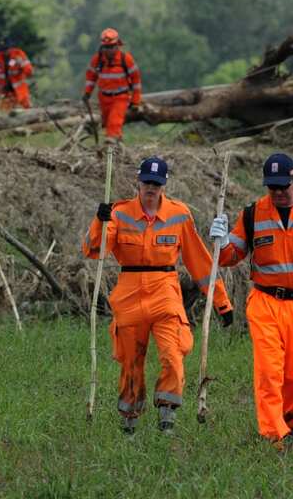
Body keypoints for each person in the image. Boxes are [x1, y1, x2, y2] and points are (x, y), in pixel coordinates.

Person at [82, 156, 232, 435]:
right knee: (130, 360)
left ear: (164, 185)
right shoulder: (118, 212)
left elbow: (199, 261)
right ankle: (129, 420)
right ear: (138, 182)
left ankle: (167, 416)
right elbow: (95, 251)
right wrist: (98, 222)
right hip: (129, 292)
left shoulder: (179, 214)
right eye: (147, 183)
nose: (151, 188)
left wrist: (221, 302)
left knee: (173, 353)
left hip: (165, 290)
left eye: (157, 184)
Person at [210, 154, 293, 453]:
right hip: (266, 303)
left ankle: (288, 423)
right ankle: (274, 437)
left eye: (283, 186)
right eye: (272, 188)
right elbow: (232, 256)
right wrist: (220, 243)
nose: (279, 192)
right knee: (270, 372)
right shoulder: (253, 214)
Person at [82, 28, 142, 143]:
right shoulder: (98, 59)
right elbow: (91, 77)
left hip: (121, 97)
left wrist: (135, 100)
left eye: (111, 47)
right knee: (108, 124)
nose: (108, 50)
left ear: (117, 45)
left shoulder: (126, 59)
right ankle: (119, 149)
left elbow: (136, 81)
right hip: (103, 98)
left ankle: (109, 154)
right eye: (106, 47)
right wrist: (87, 92)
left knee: (114, 125)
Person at [0, 36, 34, 112]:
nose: (5, 51)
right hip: (4, 93)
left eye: (7, 49)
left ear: (11, 47)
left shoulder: (19, 54)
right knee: (4, 114)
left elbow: (29, 71)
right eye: (3, 49)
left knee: (27, 112)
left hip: (20, 92)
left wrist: (21, 64)